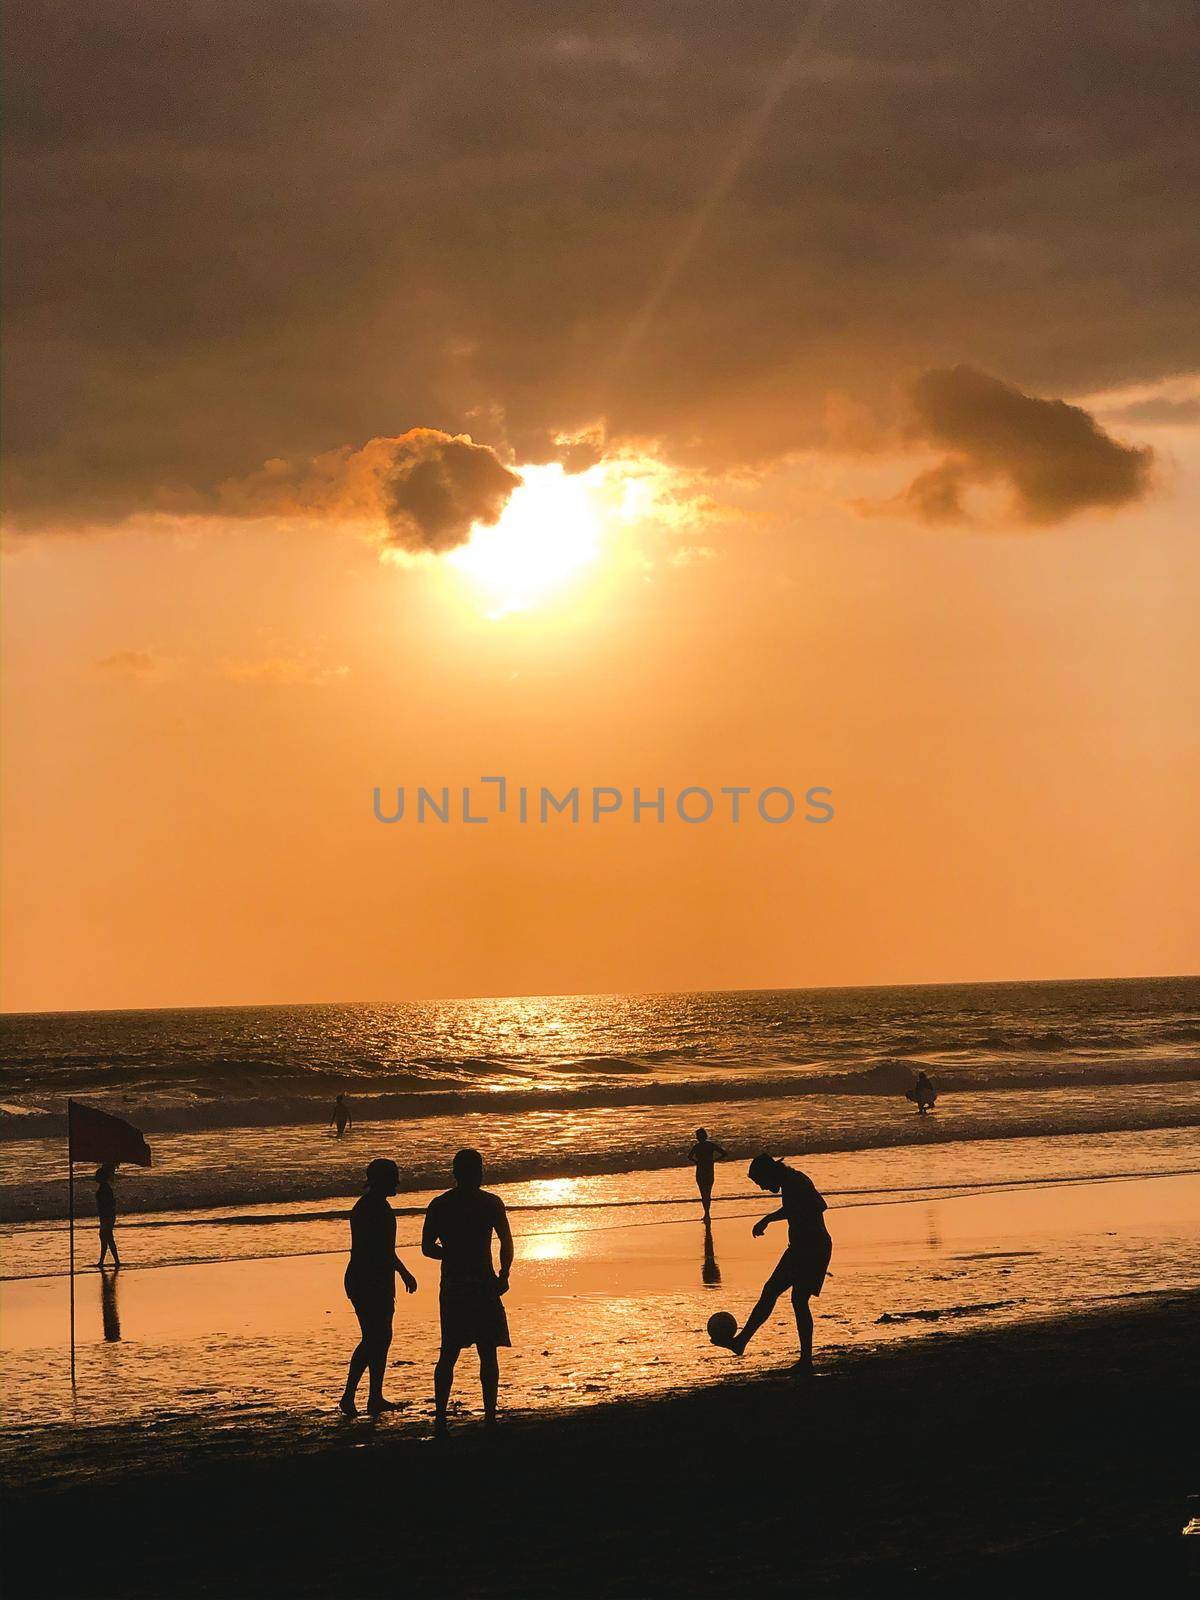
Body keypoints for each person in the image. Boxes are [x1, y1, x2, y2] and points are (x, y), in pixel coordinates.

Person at [422, 1148, 514, 1437]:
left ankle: (440, 1416)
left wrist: (450, 1253)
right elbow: (506, 1243)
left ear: (455, 1173)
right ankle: (489, 1415)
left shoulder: (440, 1204)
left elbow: (427, 1248)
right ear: (478, 1172)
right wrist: (504, 1274)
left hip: (454, 1284)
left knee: (449, 1352)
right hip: (483, 1282)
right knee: (487, 1351)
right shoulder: (490, 1203)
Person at [723, 1153, 832, 1372]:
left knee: (796, 1300)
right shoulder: (791, 1181)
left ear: (768, 1173)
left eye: (760, 1182)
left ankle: (805, 1361)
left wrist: (767, 1219)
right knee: (773, 1291)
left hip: (813, 1248)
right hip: (801, 1248)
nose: (762, 1187)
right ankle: (742, 1341)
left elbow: (817, 1205)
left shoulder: (795, 1181)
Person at [339, 1158, 417, 1416]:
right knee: (375, 1338)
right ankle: (351, 1396)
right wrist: (404, 1272)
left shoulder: (371, 1206)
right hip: (368, 1279)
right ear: (381, 1180)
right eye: (393, 1177)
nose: (397, 1182)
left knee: (380, 1338)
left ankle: (374, 1397)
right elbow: (381, 1250)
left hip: (370, 1277)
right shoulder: (374, 1208)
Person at [687, 1128, 728, 1219]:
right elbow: (724, 1153)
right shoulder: (710, 1145)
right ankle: (707, 1213)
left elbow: (689, 1157)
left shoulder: (697, 1146)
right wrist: (714, 1160)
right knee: (708, 1192)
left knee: (703, 1193)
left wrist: (696, 1161)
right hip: (709, 1170)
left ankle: (706, 1213)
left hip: (700, 1170)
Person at [95, 1164, 120, 1268]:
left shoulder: (105, 1188)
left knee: (107, 1237)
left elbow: (109, 1203)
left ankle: (114, 1261)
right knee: (105, 1237)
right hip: (106, 1216)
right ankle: (103, 1261)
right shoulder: (105, 1187)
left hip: (107, 1216)